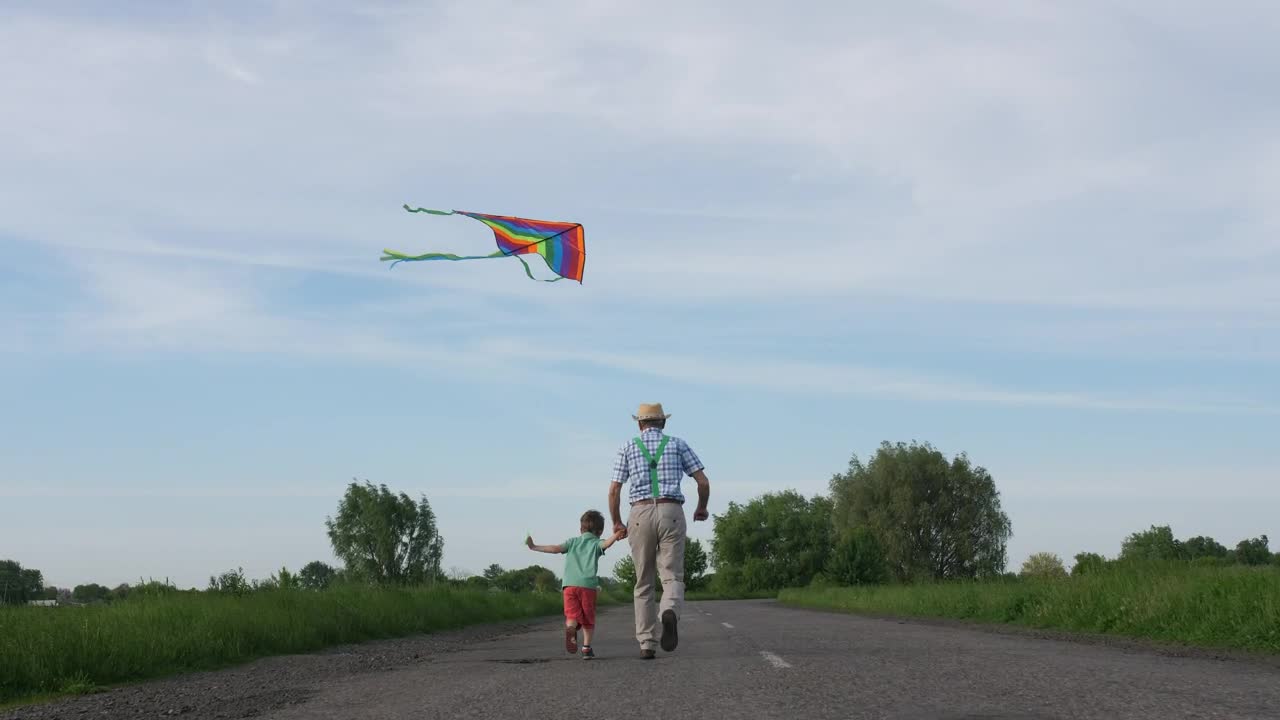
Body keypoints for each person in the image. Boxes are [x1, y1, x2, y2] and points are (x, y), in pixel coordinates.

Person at [608, 402, 711, 660]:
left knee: (643, 581)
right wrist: (701, 508)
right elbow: (702, 481)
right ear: (663, 423)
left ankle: (646, 644)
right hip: (671, 511)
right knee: (672, 577)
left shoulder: (628, 447)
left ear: (639, 424)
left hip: (639, 514)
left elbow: (614, 490)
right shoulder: (677, 444)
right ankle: (669, 611)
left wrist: (618, 522)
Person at [526, 510, 624, 660]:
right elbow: (606, 544)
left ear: (580, 529)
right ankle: (586, 648)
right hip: (587, 586)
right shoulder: (597, 543)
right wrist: (617, 534)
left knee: (572, 614)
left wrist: (534, 546)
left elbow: (555, 549)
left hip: (569, 586)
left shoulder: (572, 542)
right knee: (588, 618)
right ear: (600, 531)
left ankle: (571, 628)